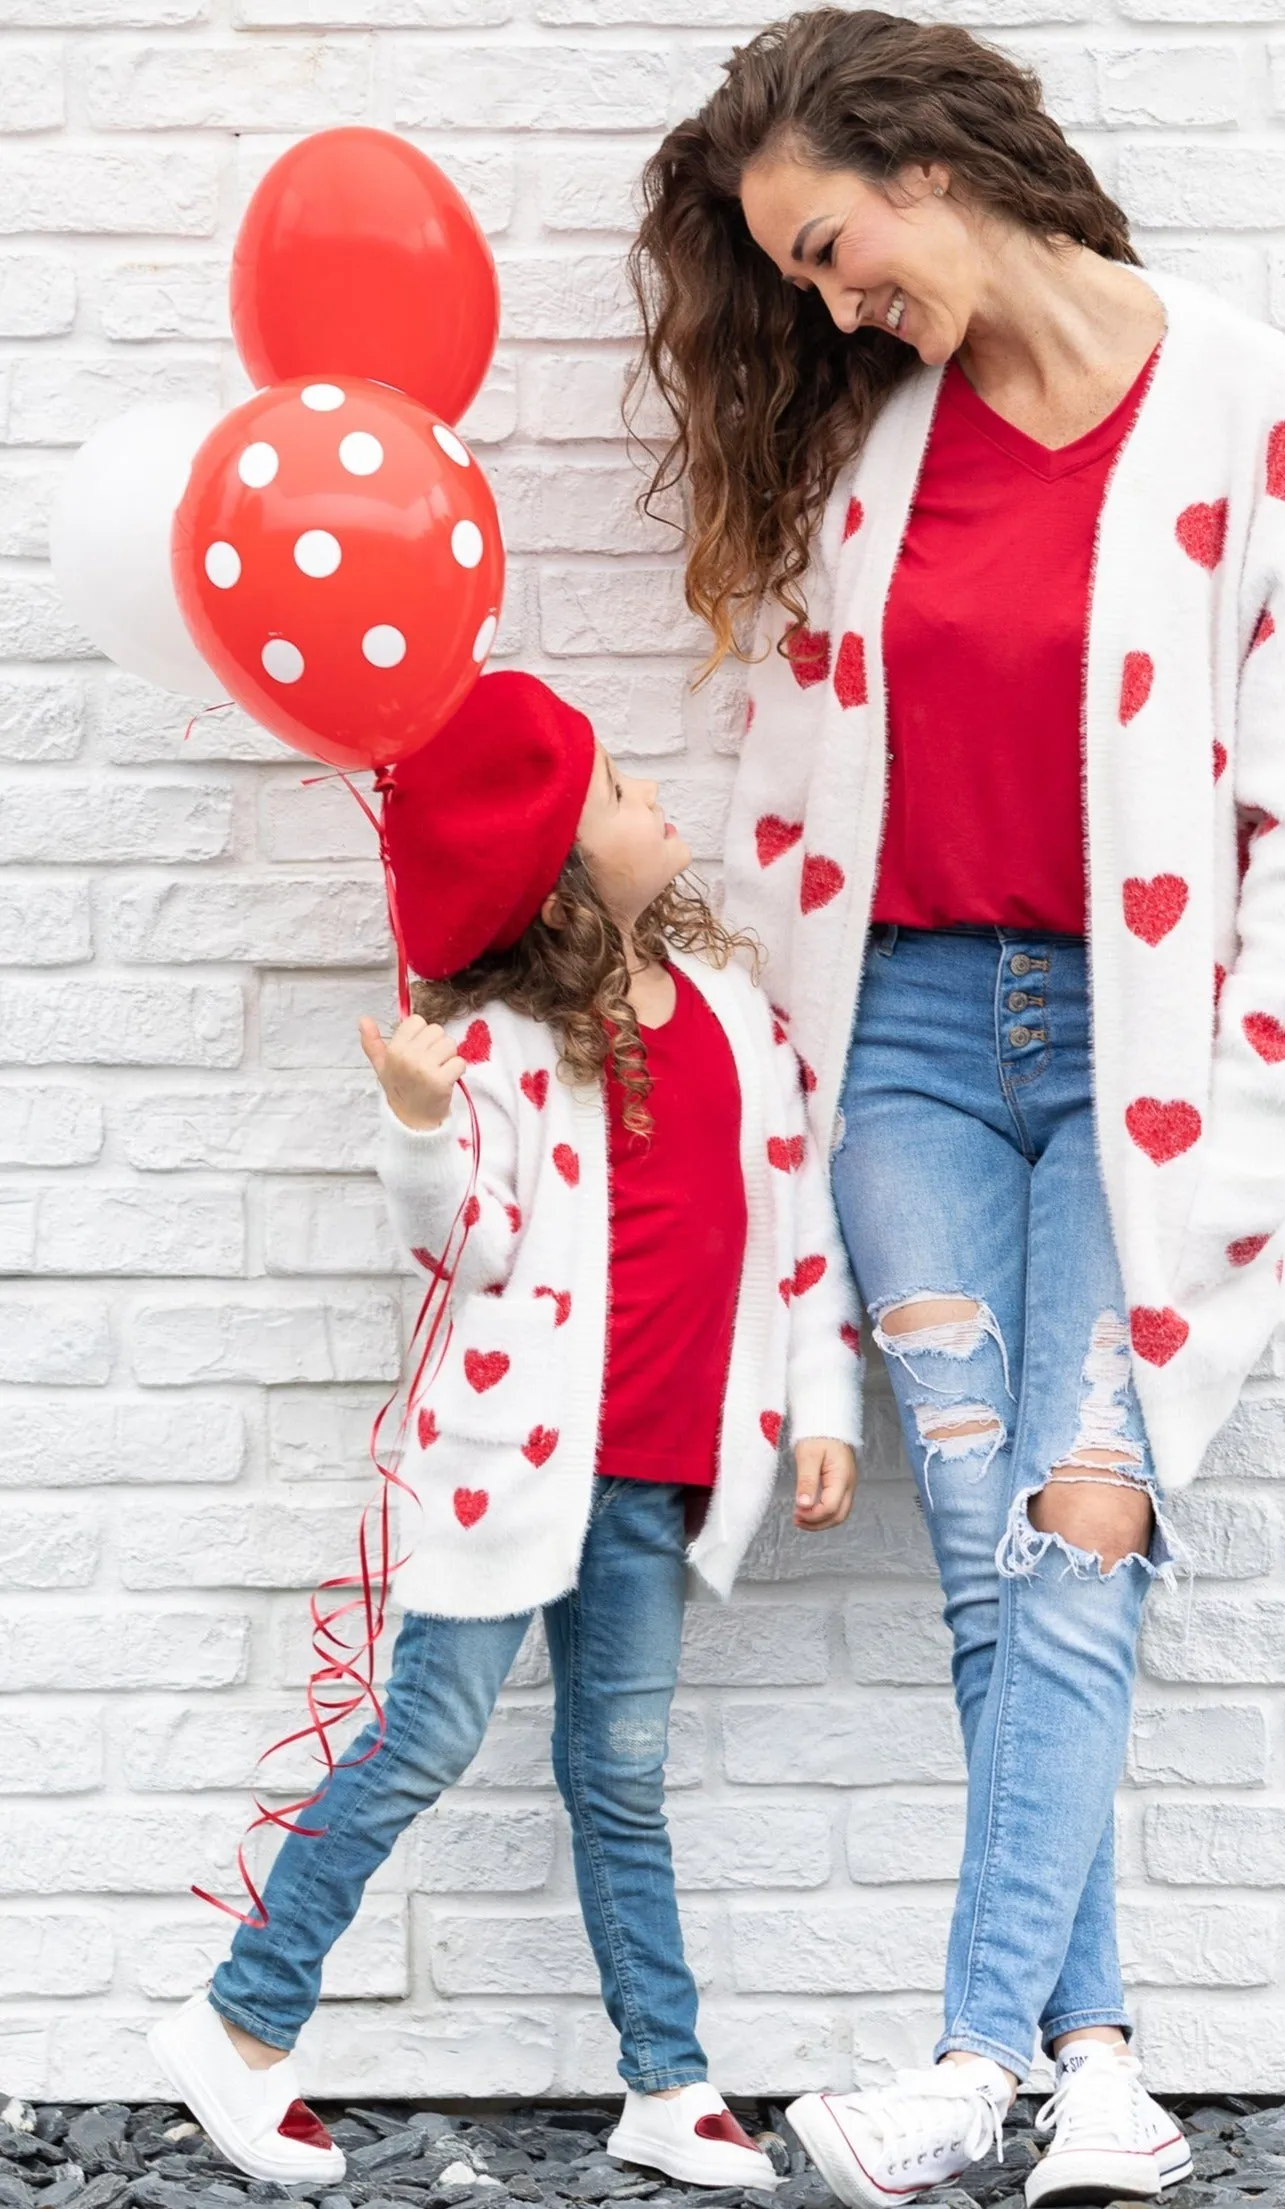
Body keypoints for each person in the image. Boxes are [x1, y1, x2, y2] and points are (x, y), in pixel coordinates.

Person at [630, 13, 1285, 2205]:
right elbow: (799, 815)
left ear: (930, 156)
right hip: (902, 1054)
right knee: (1001, 1569)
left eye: (829, 247)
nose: (827, 301)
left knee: (1084, 1521)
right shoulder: (877, 456)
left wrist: (1238, 1161)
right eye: (791, 279)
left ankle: (973, 2070)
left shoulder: (1250, 408)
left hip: (1144, 1065)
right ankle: (1097, 2070)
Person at [147, 671, 862, 2192]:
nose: (652, 799)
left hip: (658, 1479)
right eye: (614, 791)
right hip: (511, 1477)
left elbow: (799, 1234)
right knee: (428, 1737)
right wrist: (416, 1123)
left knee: (621, 1776)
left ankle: (667, 2085)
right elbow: (466, 1244)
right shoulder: (511, 1051)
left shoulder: (733, 1017)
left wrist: (823, 1397)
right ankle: (241, 2024)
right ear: (554, 872)